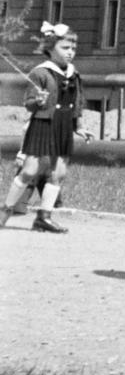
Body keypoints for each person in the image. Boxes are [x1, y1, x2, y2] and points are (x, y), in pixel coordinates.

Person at [3, 23, 87, 233]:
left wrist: (79, 126)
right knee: (31, 169)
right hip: (43, 124)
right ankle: (6, 210)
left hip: (63, 125)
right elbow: (28, 103)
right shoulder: (41, 73)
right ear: (50, 47)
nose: (70, 53)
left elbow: (77, 102)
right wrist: (37, 101)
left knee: (59, 172)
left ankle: (44, 217)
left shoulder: (73, 74)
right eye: (65, 48)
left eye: (73, 49)